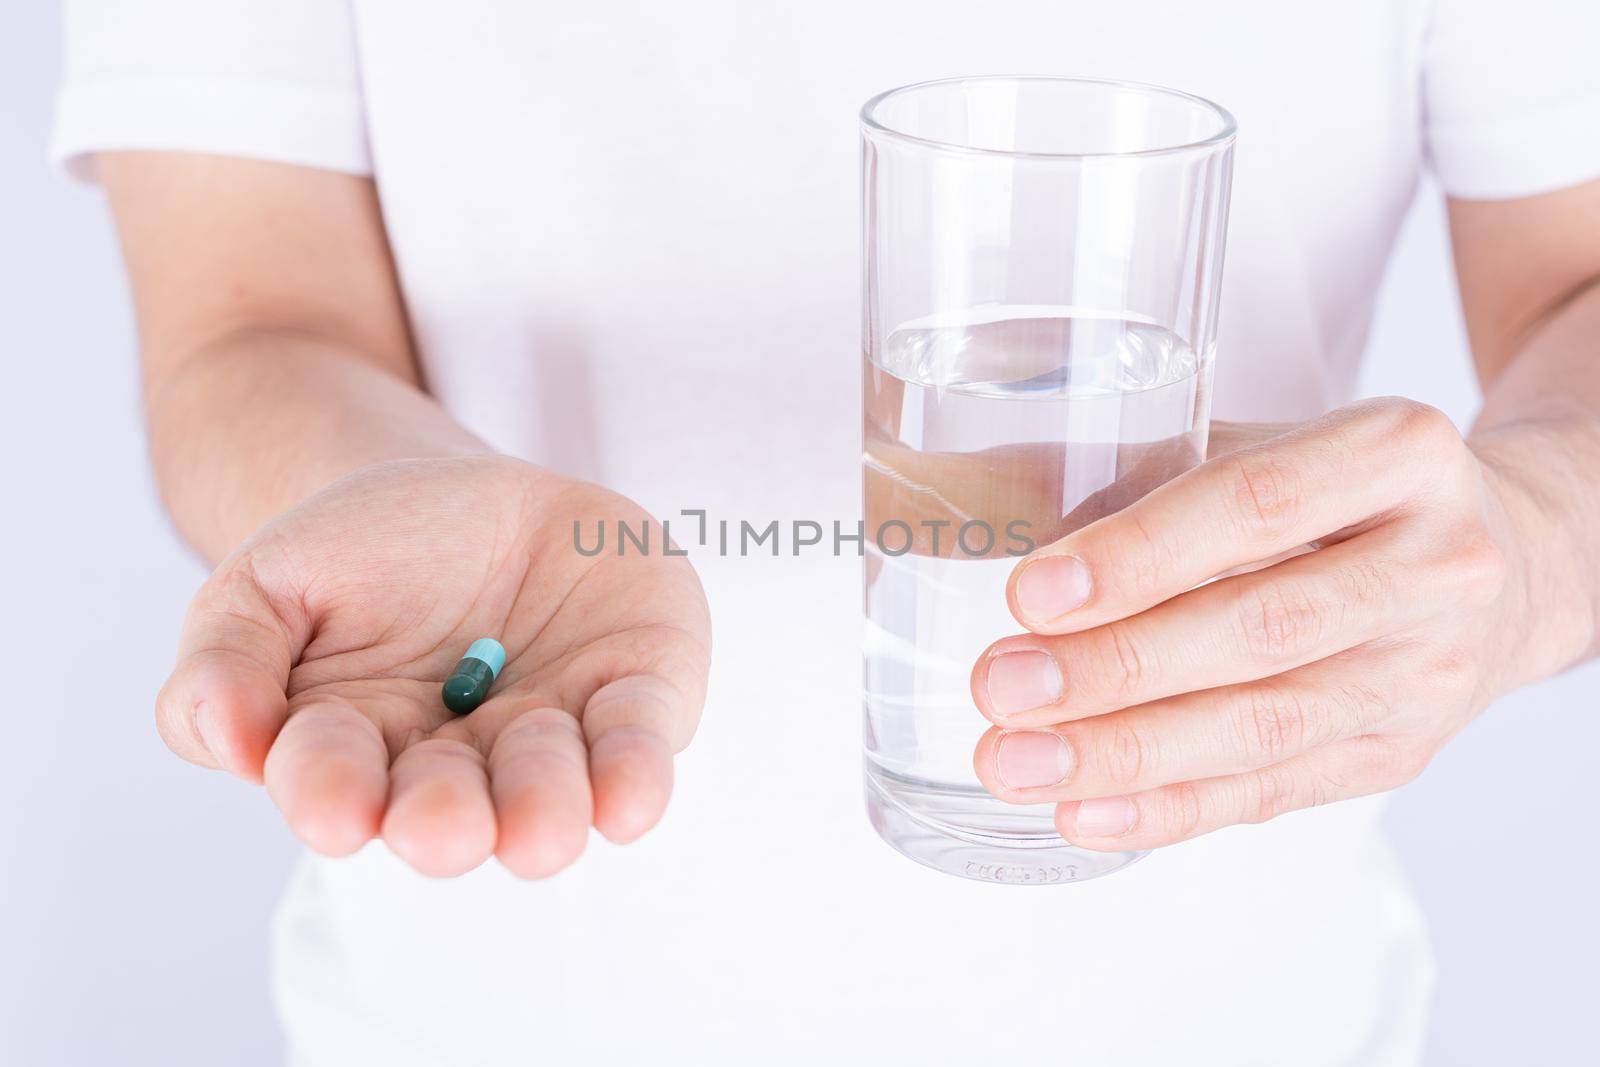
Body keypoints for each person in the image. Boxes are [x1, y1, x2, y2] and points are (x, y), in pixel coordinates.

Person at [53, 1, 1600, 1063]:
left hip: (1243, 1016)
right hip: (481, 1014)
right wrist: (379, 483)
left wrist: (1529, 543)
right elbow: (250, 319)